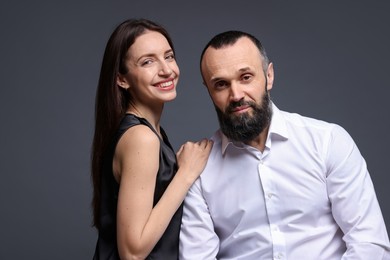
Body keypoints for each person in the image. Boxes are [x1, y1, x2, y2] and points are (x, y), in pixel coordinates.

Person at [179, 30, 390, 259]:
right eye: (221, 84)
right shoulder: (198, 170)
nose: (236, 94)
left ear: (269, 76)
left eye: (246, 77)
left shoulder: (328, 141)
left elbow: (369, 244)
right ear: (209, 91)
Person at [91, 19, 213, 260]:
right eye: (147, 61)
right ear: (122, 79)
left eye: (168, 56)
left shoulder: (149, 132)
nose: (166, 69)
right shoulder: (141, 138)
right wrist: (185, 174)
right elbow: (133, 252)